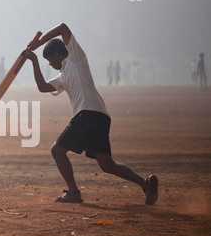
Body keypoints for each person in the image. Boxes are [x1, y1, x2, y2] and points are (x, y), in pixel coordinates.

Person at [21, 23, 158, 205]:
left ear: (57, 55)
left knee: (57, 151)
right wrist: (34, 61)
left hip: (86, 114)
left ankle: (73, 193)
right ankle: (145, 184)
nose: (50, 64)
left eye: (49, 60)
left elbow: (63, 28)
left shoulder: (75, 58)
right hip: (101, 116)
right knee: (106, 164)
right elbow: (43, 87)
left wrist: (37, 45)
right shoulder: (63, 75)